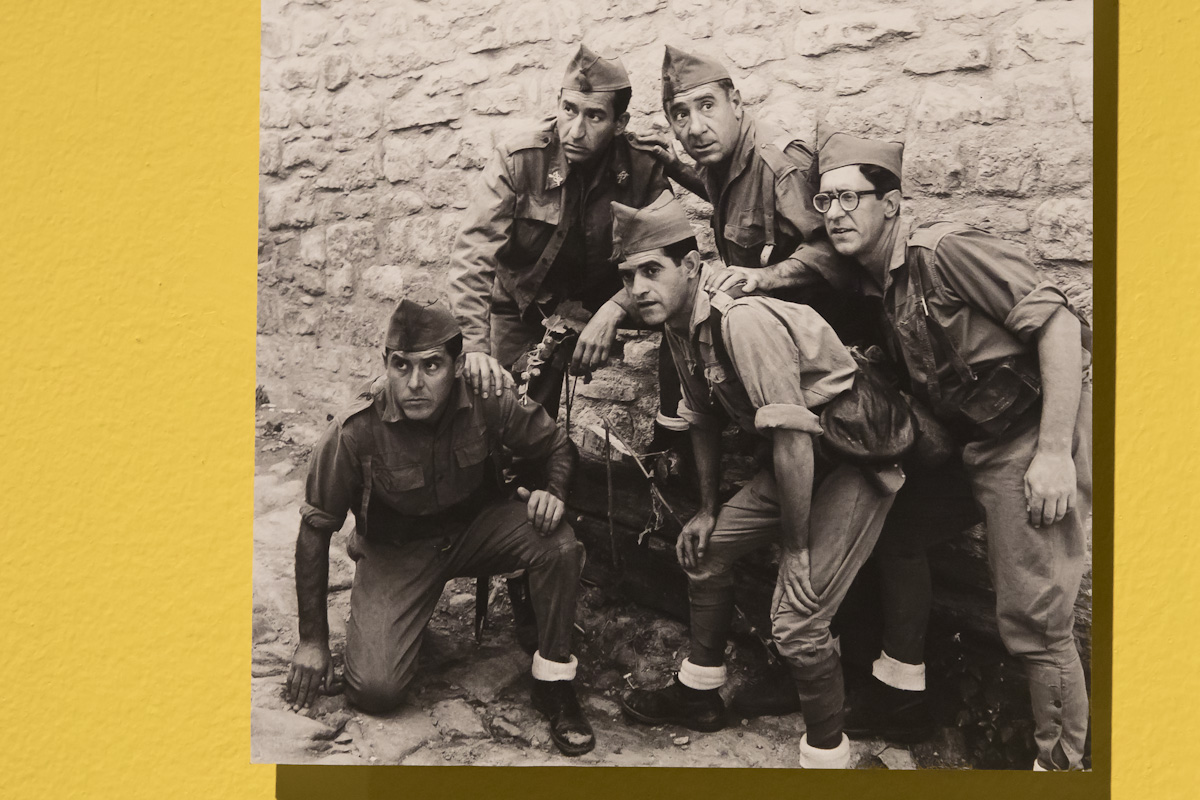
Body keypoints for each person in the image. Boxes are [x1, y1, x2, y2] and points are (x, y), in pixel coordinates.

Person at [815, 133, 1093, 771]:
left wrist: (1054, 454)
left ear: (890, 203)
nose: (835, 213)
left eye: (850, 198)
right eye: (825, 200)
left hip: (1028, 435)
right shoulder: (882, 284)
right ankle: (902, 691)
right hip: (974, 445)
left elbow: (1059, 325)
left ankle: (1061, 767)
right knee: (898, 530)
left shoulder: (943, 252)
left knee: (1035, 619)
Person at [612, 192, 901, 770]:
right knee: (704, 551)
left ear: (689, 266)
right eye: (628, 276)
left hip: (852, 461)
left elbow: (794, 437)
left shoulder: (739, 320)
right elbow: (702, 418)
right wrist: (707, 510)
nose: (638, 288)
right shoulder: (679, 323)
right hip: (800, 463)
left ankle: (827, 756)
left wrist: (796, 548)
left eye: (651, 271)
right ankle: (699, 692)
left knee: (796, 623)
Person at [284, 298, 596, 757]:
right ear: (385, 364)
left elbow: (557, 446)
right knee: (376, 691)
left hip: (476, 530)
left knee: (557, 541)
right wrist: (312, 641)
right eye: (401, 365)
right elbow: (314, 528)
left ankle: (554, 681)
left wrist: (553, 492)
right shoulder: (355, 429)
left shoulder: (488, 398)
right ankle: (391, 604)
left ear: (457, 365)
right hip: (397, 549)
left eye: (431, 366)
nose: (415, 383)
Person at [448, 43, 678, 424]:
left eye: (594, 116)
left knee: (685, 309)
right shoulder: (519, 161)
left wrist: (616, 308)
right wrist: (473, 345)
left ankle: (673, 436)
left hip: (606, 295)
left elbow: (672, 258)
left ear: (620, 123)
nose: (575, 130)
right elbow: (473, 253)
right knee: (510, 420)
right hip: (526, 304)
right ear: (558, 103)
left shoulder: (641, 167)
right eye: (569, 110)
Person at [630, 45, 876, 346]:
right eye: (681, 114)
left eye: (707, 106)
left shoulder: (779, 164)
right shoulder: (718, 157)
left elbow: (834, 249)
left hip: (831, 338)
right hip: (776, 330)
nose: (695, 128)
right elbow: (739, 203)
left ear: (735, 103)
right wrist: (678, 169)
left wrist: (765, 276)